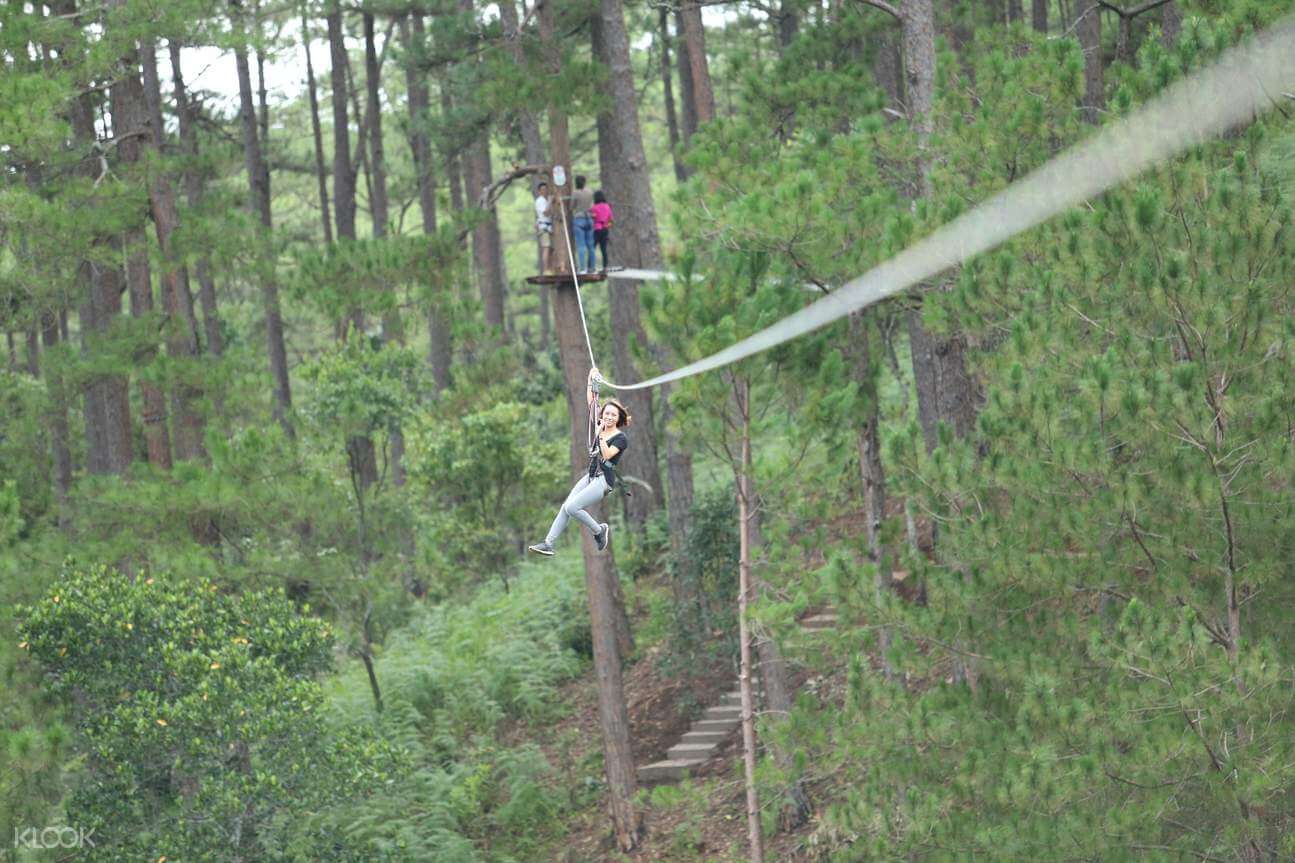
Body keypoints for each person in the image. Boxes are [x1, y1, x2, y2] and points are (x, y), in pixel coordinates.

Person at [528, 366, 629, 556]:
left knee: (572, 506)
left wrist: (599, 434)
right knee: (565, 507)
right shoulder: (597, 421)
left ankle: (600, 530)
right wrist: (591, 377)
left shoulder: (620, 438)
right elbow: (591, 399)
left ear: (618, 419)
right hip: (591, 476)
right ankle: (549, 544)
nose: (608, 417)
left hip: (604, 481)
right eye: (606, 413)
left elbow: (607, 455)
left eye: (613, 415)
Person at [570, 175, 595, 274]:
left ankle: (582, 269)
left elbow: (571, 207)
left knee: (581, 246)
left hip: (579, 219)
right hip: (589, 218)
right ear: (585, 182)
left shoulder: (575, 193)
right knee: (591, 246)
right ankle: (592, 268)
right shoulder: (590, 192)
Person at [591, 190, 613, 272]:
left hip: (597, 229)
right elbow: (610, 219)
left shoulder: (594, 207)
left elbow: (593, 217)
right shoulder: (607, 207)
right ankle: (605, 267)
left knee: (592, 247)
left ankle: (590, 266)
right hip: (605, 229)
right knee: (603, 249)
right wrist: (607, 226)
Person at [534, 181, 553, 273]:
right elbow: (545, 212)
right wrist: (550, 201)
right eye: (542, 190)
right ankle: (546, 269)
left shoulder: (545, 200)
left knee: (549, 248)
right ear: (539, 191)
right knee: (546, 247)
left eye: (546, 189)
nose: (544, 191)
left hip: (548, 226)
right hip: (544, 227)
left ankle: (550, 268)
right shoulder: (540, 201)